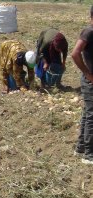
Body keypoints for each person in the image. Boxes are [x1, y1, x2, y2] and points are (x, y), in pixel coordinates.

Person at [71, 5, 93, 164]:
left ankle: (80, 148)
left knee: (87, 114)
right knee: (92, 117)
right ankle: (89, 155)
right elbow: (75, 53)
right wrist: (87, 73)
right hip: (90, 81)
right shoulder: (89, 32)